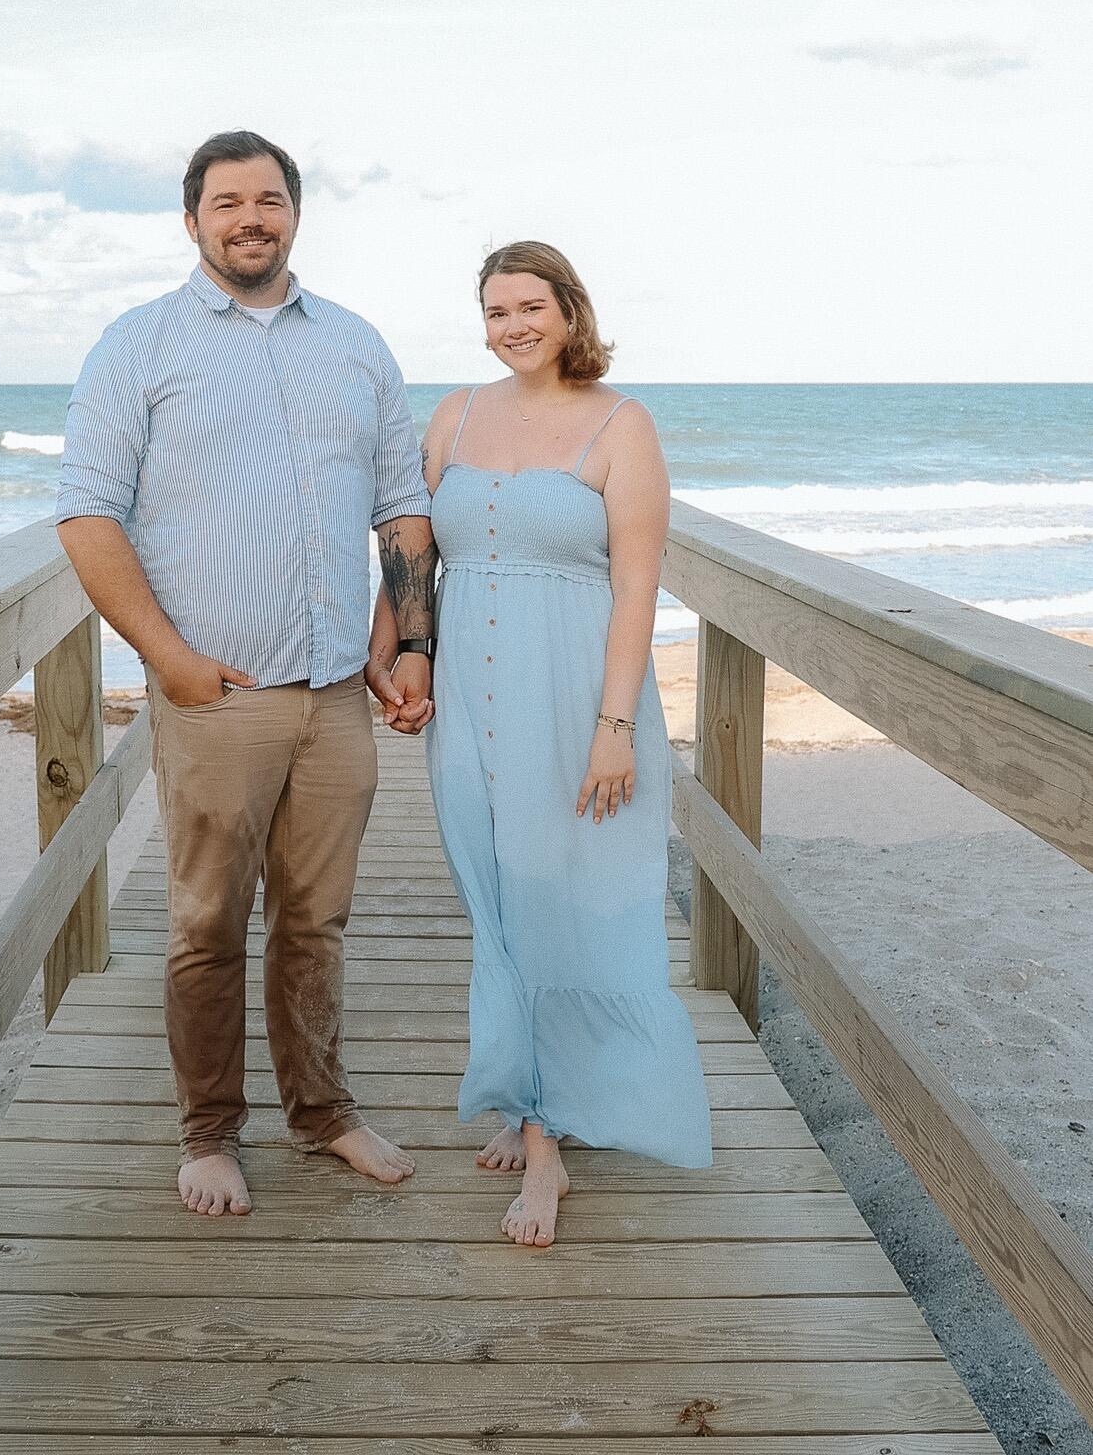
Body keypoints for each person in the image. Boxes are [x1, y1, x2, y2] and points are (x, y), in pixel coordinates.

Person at [56, 128, 437, 1219]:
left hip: (335, 699)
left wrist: (411, 642)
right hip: (217, 697)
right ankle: (208, 1131)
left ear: (296, 213)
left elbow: (402, 505)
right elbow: (86, 511)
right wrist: (170, 663)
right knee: (208, 924)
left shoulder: (357, 345)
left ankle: (322, 1114)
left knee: (318, 922)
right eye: (226, 201)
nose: (249, 217)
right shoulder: (139, 344)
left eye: (268, 198)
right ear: (192, 220)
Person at [367, 240, 713, 1248]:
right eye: (493, 309)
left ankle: (549, 1139)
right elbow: (412, 549)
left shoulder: (622, 423)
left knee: (569, 895)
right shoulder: (455, 414)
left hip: (575, 698)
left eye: (528, 305)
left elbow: (638, 586)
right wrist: (385, 654)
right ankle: (531, 1096)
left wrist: (616, 728)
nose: (510, 324)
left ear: (569, 310)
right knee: (500, 895)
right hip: (470, 701)